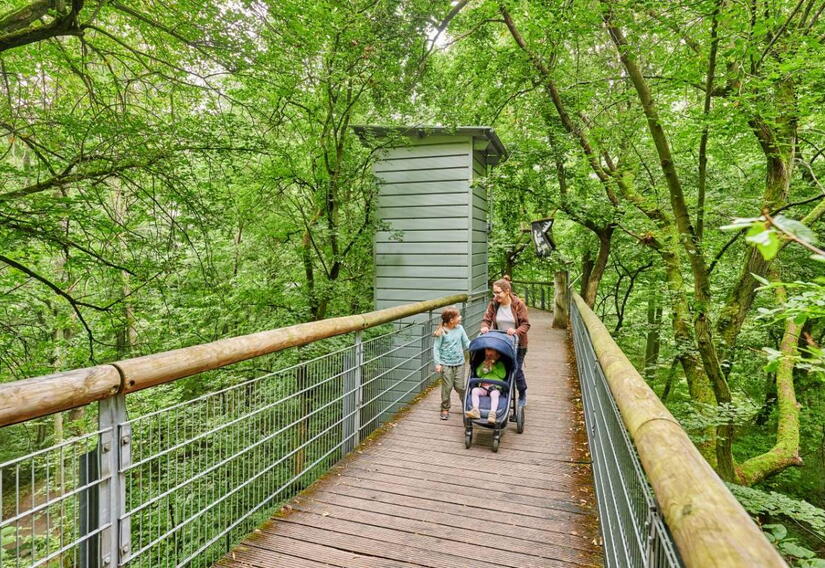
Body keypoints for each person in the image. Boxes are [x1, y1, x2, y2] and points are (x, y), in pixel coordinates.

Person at [480, 277, 530, 406]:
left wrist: (516, 331)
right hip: (501, 343)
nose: (495, 295)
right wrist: (485, 327)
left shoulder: (518, 304)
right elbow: (486, 319)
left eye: (498, 292)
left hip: (518, 343)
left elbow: (525, 324)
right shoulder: (494, 304)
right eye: (494, 292)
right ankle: (501, 393)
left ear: (507, 291)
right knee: (501, 368)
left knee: (516, 370)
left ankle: (522, 393)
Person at [433, 307, 470, 420]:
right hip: (446, 364)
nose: (460, 317)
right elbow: (436, 348)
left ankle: (466, 404)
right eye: (458, 316)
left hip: (459, 363)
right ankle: (445, 408)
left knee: (460, 387)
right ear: (451, 320)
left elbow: (466, 342)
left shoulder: (460, 328)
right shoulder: (442, 331)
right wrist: (438, 363)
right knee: (447, 387)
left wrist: (477, 347)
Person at [465, 347, 506, 423]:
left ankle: (492, 413)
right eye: (487, 355)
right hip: (484, 387)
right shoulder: (483, 363)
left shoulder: (500, 364)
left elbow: (502, 375)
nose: (488, 357)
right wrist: (483, 367)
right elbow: (478, 373)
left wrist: (493, 367)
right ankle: (475, 410)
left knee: (494, 394)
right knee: (475, 390)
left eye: (491, 355)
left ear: (497, 356)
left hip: (495, 387)